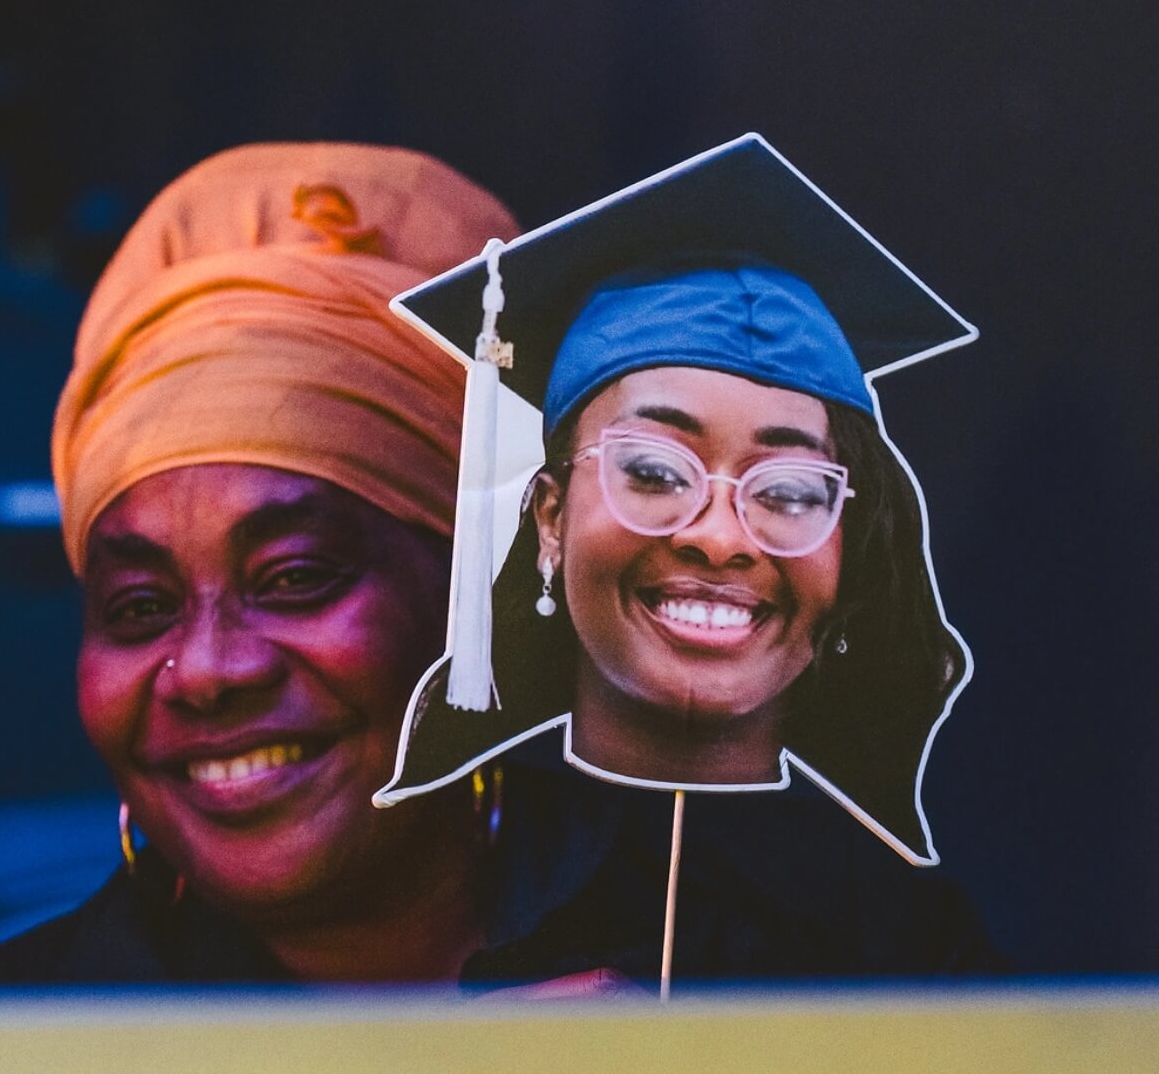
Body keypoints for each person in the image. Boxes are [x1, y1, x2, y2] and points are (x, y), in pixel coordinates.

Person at [0, 141, 521, 983]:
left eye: (293, 578)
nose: (207, 671)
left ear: (482, 596)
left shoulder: (731, 988)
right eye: (139, 605)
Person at [379, 134, 974, 869]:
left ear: (850, 545)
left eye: (787, 491)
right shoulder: (434, 885)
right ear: (551, 516)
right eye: (656, 473)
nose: (721, 538)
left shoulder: (914, 942)